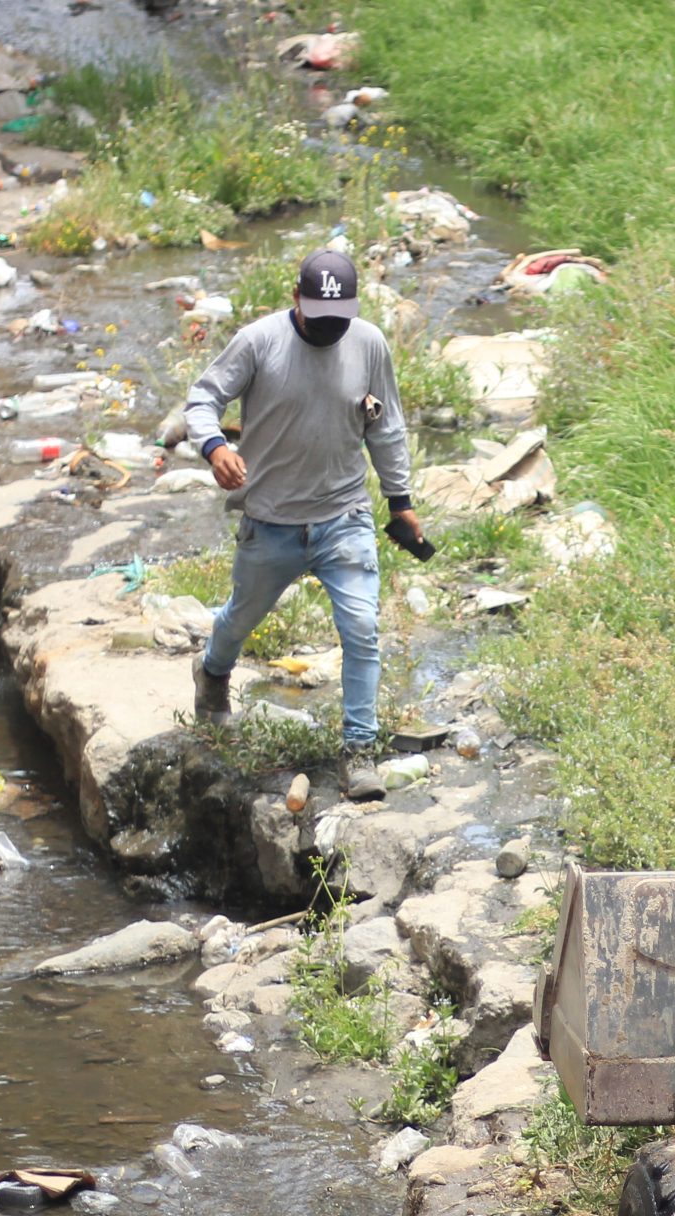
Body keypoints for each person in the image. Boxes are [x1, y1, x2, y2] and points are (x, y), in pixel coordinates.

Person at [182, 247, 424, 801]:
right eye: (320, 321)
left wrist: (400, 499)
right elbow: (202, 398)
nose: (330, 332)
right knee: (240, 620)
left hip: (344, 516)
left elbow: (385, 426)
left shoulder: (367, 343)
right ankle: (213, 673)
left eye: (339, 322)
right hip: (271, 521)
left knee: (362, 628)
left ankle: (358, 751)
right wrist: (215, 446)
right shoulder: (259, 342)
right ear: (296, 300)